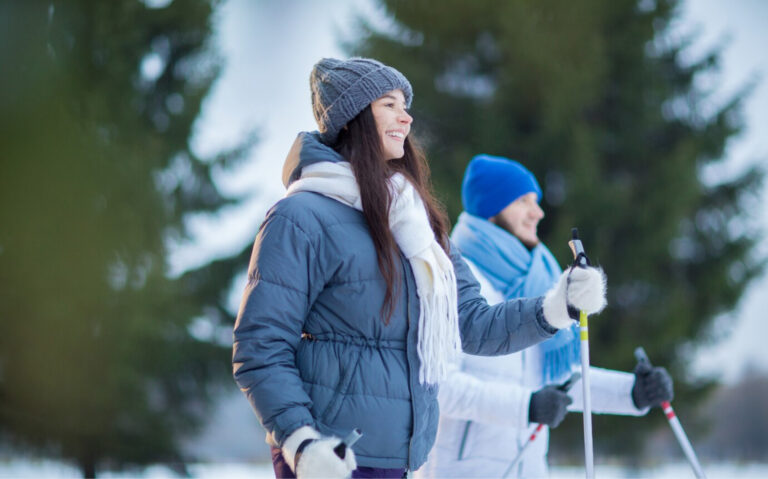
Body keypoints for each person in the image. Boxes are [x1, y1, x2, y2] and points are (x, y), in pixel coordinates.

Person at [232, 58, 608, 479]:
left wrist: (558, 306)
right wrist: (301, 441)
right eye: (389, 104)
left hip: (400, 457)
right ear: (353, 117)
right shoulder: (300, 216)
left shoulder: (417, 224)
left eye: (405, 105)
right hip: (329, 459)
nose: (406, 116)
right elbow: (260, 346)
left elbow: (473, 324)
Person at [417, 155, 675, 478]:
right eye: (523, 201)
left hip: (531, 468)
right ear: (491, 207)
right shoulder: (453, 278)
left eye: (536, 201)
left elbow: (558, 381)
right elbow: (440, 387)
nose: (537, 212)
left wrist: (632, 393)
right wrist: (525, 406)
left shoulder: (537, 280)